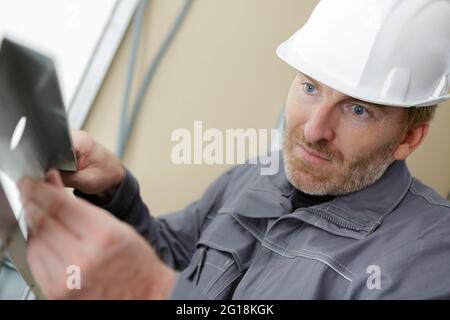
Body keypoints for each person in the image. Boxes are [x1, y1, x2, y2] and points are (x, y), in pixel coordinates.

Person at [17, 0, 450, 299]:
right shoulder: (260, 175)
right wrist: (115, 191)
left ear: (409, 137)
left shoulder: (430, 258)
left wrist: (153, 292)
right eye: (310, 86)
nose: (315, 129)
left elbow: (160, 285)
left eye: (358, 109)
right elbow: (173, 258)